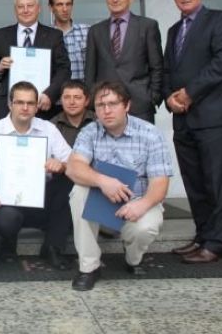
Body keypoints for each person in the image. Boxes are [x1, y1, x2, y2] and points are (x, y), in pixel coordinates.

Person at [67, 81, 172, 291]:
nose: (106, 110)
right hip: (102, 199)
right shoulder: (90, 132)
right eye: (100, 105)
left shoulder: (150, 134)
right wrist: (103, 181)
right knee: (78, 192)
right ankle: (89, 267)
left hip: (138, 200)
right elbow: (73, 168)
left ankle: (133, 259)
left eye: (113, 104)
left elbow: (160, 183)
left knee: (145, 228)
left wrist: (141, 205)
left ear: (127, 105)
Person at [163, 0, 222, 263]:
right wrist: (170, 98)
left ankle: (216, 244)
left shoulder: (220, 21)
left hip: (212, 116)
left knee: (216, 183)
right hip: (183, 119)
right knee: (194, 183)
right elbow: (168, 70)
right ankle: (202, 236)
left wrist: (188, 94)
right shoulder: (174, 31)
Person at [0, 81, 73, 269]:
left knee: (68, 182)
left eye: (30, 103)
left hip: (41, 198)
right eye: (19, 102)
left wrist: (61, 165)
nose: (25, 107)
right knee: (7, 221)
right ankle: (8, 242)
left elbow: (73, 162)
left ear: (37, 106)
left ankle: (53, 247)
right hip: (4, 201)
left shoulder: (48, 129)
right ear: (10, 104)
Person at [85, 0, 163, 123]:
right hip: (105, 106)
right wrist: (93, 103)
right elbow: (90, 71)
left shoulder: (147, 26)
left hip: (140, 105)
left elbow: (157, 66)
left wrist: (153, 97)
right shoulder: (96, 31)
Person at [0, 0, 71, 119]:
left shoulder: (54, 36)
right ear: (15, 10)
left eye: (30, 6)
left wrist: (50, 94)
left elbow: (64, 69)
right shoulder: (1, 35)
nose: (25, 10)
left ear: (39, 8)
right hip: (9, 106)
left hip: (42, 104)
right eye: (21, 6)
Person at [49, 0, 89, 82]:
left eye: (68, 4)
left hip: (83, 89)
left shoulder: (87, 31)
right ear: (51, 8)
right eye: (60, 4)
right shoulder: (46, 35)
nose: (65, 9)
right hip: (56, 90)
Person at [51, 80, 96, 148]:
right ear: (61, 101)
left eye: (77, 97)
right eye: (67, 97)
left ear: (87, 101)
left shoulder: (99, 122)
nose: (71, 102)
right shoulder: (52, 126)